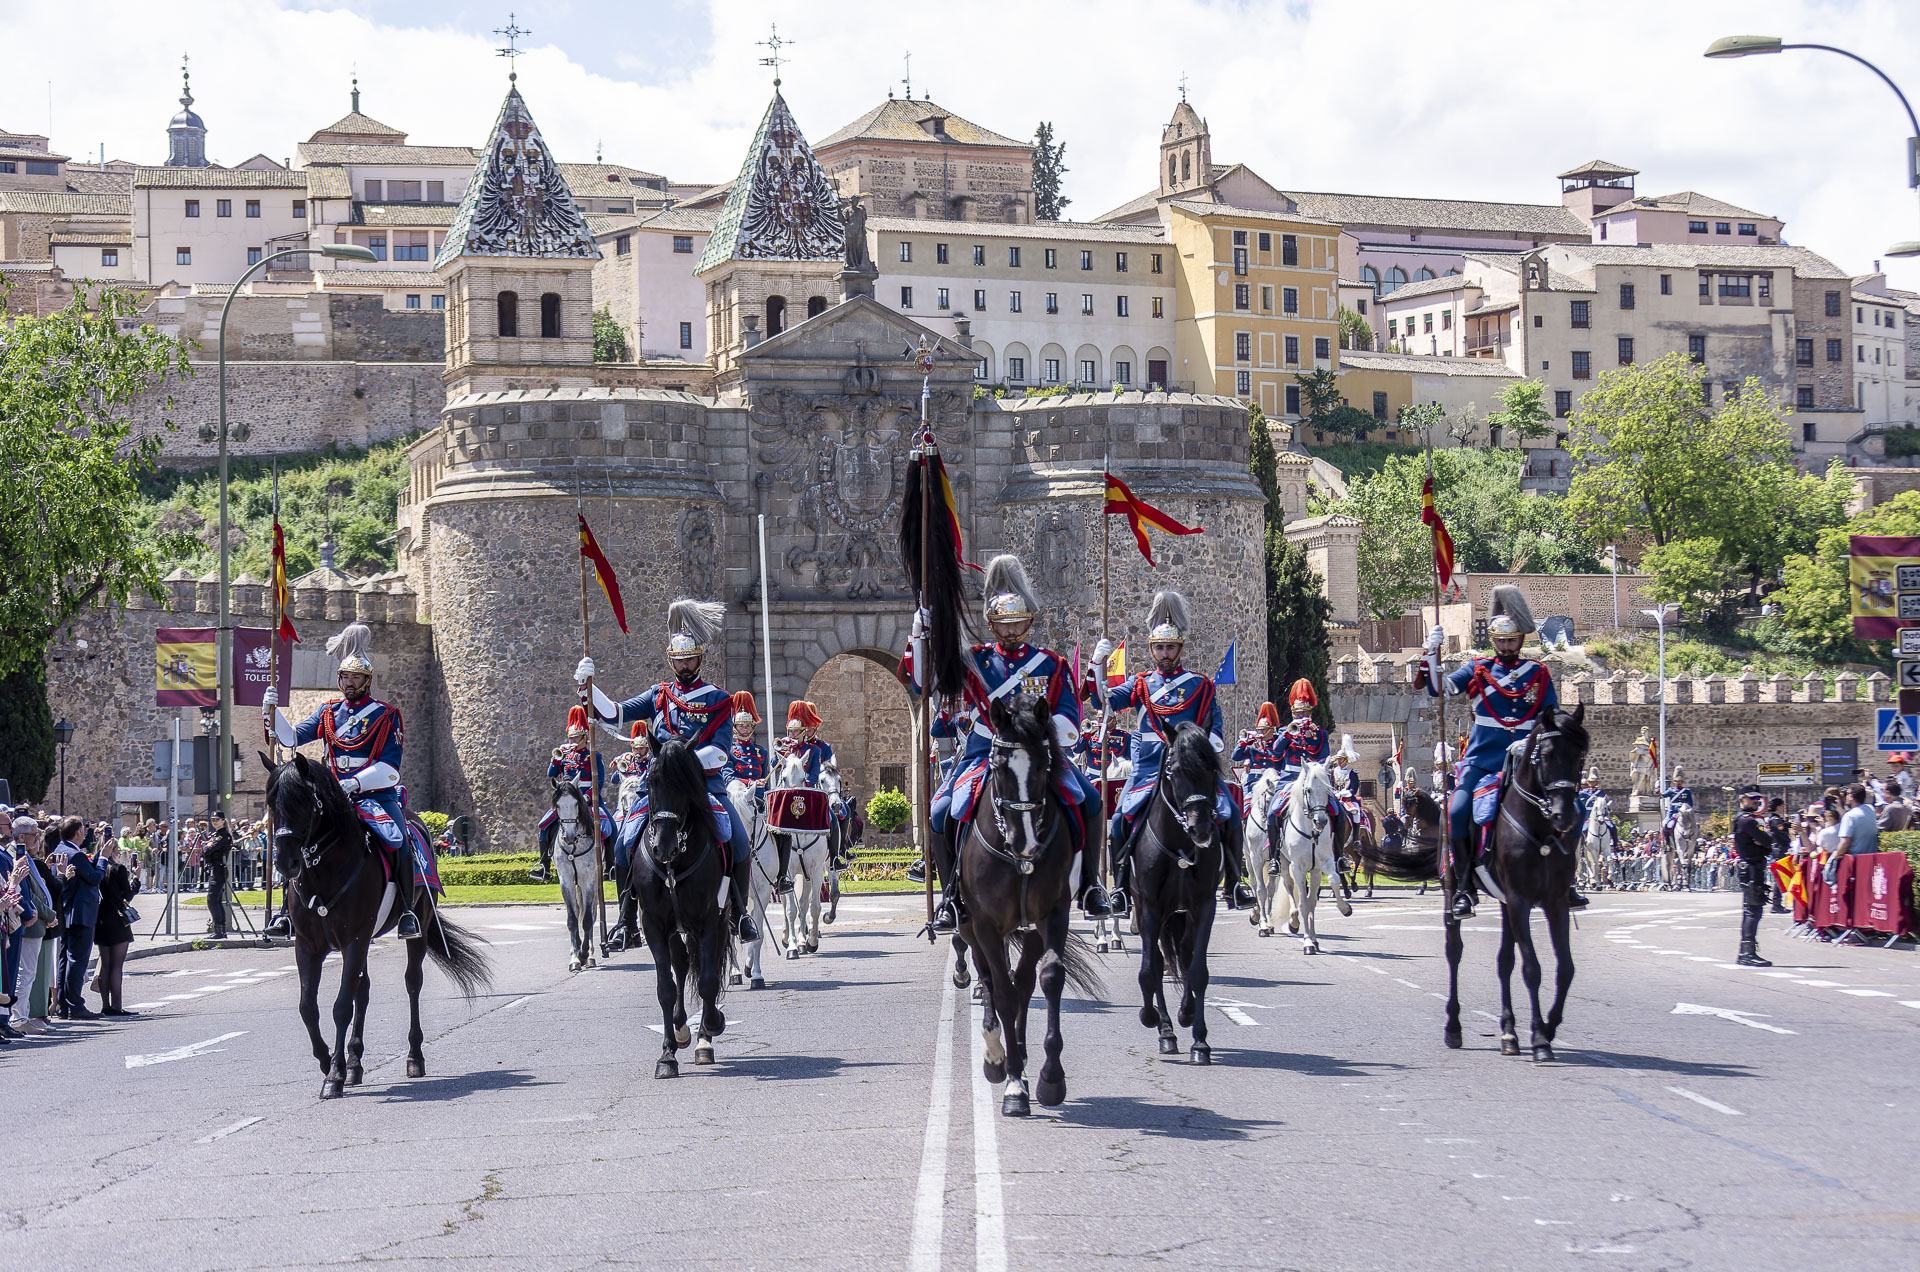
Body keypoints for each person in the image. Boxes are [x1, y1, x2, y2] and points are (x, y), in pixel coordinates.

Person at [930, 555, 1111, 931]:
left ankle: (1092, 885)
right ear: (992, 625)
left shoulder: (1050, 664)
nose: (1011, 631)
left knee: (1091, 801)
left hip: (1037, 757)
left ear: (1028, 621)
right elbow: (926, 685)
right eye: (1003, 624)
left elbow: (1068, 714)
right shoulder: (973, 662)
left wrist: (1044, 735)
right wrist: (924, 637)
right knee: (941, 811)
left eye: (1017, 623)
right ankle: (950, 895)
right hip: (984, 756)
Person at [577, 598, 759, 942]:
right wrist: (589, 686)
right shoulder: (658, 696)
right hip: (659, 792)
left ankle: (739, 912)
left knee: (737, 841)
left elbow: (720, 753)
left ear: (700, 658)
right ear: (670, 660)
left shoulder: (719, 699)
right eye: (678, 660)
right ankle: (627, 919)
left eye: (690, 658)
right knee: (623, 845)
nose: (685, 665)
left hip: (704, 788)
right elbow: (615, 714)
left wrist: (680, 763)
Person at [1419, 585, 1587, 919]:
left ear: (1521, 640)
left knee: (1576, 808)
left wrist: (1535, 741)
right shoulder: (1476, 670)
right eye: (1501, 641)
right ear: (1493, 640)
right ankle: (1464, 886)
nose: (1507, 647)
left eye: (1512, 641)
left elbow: (1551, 717)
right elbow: (1439, 689)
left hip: (1527, 759)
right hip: (1482, 761)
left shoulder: (1538, 674)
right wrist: (1430, 654)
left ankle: (1566, 879)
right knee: (1456, 812)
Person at [1092, 588, 1250, 917]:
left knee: (1230, 811)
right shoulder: (1140, 684)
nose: (1165, 653)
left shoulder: (1200, 685)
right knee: (1120, 818)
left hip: (1188, 766)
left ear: (1180, 648)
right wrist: (1096, 666)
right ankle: (1120, 886)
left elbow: (1214, 724)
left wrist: (1209, 746)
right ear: (1152, 649)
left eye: (1170, 647)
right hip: (1149, 765)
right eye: (1160, 647)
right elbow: (1102, 701)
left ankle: (1236, 880)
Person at [263, 622, 421, 940]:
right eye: (346, 677)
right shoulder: (328, 713)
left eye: (356, 678)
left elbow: (391, 768)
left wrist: (356, 783)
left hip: (375, 794)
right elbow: (291, 737)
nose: (350, 683)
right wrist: (271, 709)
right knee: (298, 839)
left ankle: (406, 911)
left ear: (367, 681)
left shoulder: (385, 715)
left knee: (399, 839)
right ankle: (286, 912)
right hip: (333, 796)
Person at [532, 706, 610, 883]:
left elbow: (599, 782)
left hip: (588, 800)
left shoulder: (593, 756)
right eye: (570, 737)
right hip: (566, 801)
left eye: (575, 737)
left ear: (584, 737)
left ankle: (610, 866)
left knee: (609, 828)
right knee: (543, 825)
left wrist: (588, 797)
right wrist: (555, 760)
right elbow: (551, 775)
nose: (572, 740)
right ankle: (544, 865)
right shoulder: (564, 755)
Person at [51, 816, 104, 1019]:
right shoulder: (75, 854)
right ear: (78, 832)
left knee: (66, 959)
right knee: (77, 960)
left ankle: (65, 1004)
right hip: (79, 912)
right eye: (83, 830)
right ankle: (75, 1004)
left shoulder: (60, 849)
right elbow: (94, 878)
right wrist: (104, 858)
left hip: (67, 911)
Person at [9, 817, 54, 1034]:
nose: (38, 839)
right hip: (27, 920)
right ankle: (18, 1018)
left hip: (35, 920)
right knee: (24, 973)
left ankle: (21, 1015)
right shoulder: (16, 856)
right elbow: (29, 894)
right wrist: (48, 914)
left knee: (28, 973)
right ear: (21, 836)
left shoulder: (26, 856)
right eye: (35, 835)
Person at [93, 835, 140, 1015]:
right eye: (117, 849)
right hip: (117, 918)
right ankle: (116, 1006)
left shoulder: (97, 867)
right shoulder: (118, 869)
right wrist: (136, 878)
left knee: (105, 963)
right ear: (112, 850)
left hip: (100, 917)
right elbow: (127, 895)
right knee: (116, 965)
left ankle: (105, 1005)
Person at [1731, 785, 1772, 966]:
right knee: (1752, 911)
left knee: (1753, 910)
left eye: (1757, 798)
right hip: (1752, 868)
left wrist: (1763, 840)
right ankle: (1747, 953)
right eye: (1752, 798)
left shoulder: (1748, 820)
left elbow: (1764, 841)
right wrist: (1764, 839)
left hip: (1753, 867)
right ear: (1742, 799)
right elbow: (1767, 841)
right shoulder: (1747, 820)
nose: (1756, 801)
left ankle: (1747, 951)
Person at [1827, 783, 1881, 885]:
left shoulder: (1850, 816)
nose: (1846, 796)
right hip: (1871, 860)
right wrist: (1840, 808)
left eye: (1847, 793)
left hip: (1855, 864)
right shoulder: (1870, 810)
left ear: (1851, 796)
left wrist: (1836, 855)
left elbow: (1845, 842)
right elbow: (1856, 818)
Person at [1231, 702, 1286, 778]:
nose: (1261, 732)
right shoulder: (1253, 745)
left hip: (1273, 781)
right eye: (1259, 730)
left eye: (1264, 730)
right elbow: (1235, 757)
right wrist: (1243, 744)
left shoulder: (1279, 745)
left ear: (1272, 730)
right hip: (1254, 780)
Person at [203, 813, 233, 940]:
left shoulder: (223, 835)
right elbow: (206, 849)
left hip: (219, 868)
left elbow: (207, 850)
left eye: (217, 820)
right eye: (212, 820)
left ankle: (219, 930)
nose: (214, 822)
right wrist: (207, 846)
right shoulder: (215, 835)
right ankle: (220, 930)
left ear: (223, 821)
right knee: (216, 900)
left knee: (212, 900)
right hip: (213, 868)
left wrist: (206, 846)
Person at [1766, 797, 1792, 913]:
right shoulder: (1776, 820)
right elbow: (1781, 834)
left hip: (1779, 848)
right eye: (1782, 805)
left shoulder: (1776, 819)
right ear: (1778, 806)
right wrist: (1789, 841)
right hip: (1780, 849)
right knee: (1780, 876)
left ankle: (1777, 902)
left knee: (1781, 876)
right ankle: (1776, 903)